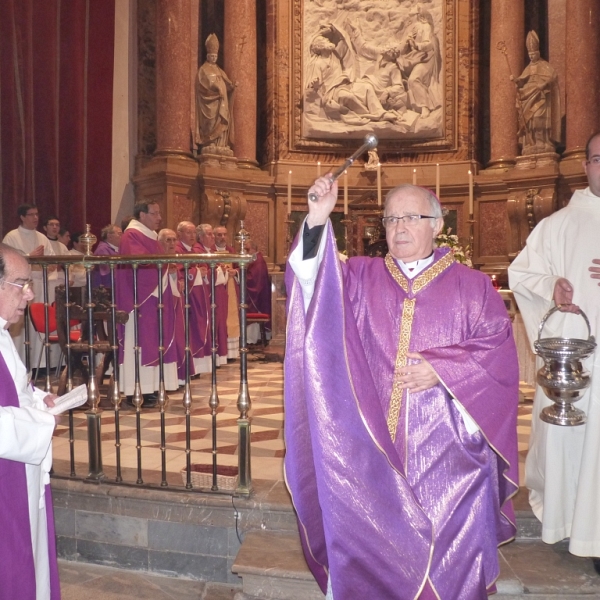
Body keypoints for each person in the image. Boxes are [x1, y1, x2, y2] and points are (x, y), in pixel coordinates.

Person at [285, 179, 519, 598]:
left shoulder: (473, 286)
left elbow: (498, 352)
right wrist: (319, 218)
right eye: (392, 218)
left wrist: (444, 369)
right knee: (376, 552)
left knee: (452, 562)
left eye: (412, 217)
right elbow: (312, 285)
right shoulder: (359, 276)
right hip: (374, 449)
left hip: (452, 456)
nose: (400, 228)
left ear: (437, 224)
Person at [508, 131, 600, 572]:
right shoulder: (557, 224)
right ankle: (570, 523)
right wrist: (552, 286)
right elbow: (521, 273)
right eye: (599, 159)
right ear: (586, 165)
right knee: (573, 441)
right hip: (574, 362)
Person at [0, 243, 61, 599]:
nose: (31, 294)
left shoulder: (3, 331)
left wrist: (40, 399)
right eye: (21, 283)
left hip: (20, 471)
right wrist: (42, 422)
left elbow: (16, 385)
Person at [116, 201, 179, 408]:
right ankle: (136, 388)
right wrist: (162, 267)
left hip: (154, 298)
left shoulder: (149, 235)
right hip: (140, 301)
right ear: (142, 214)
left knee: (153, 342)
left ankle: (151, 387)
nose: (159, 218)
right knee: (140, 343)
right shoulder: (132, 235)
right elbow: (138, 265)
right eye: (155, 213)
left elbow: (154, 262)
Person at [2, 204, 58, 368]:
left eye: (37, 214)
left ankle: (41, 364)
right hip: (19, 289)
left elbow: (52, 259)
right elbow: (6, 263)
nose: (35, 218)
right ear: (22, 217)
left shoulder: (42, 237)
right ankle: (22, 363)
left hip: (40, 287)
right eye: (31, 214)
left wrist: (50, 265)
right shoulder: (12, 236)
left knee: (40, 325)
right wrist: (29, 257)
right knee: (22, 326)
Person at [512, 30, 561, 156]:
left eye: (534, 53)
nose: (532, 56)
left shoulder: (545, 65)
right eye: (530, 54)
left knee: (540, 118)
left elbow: (553, 77)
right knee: (530, 120)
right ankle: (531, 143)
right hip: (529, 95)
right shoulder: (528, 68)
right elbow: (522, 80)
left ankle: (543, 142)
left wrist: (543, 84)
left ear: (538, 52)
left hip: (541, 96)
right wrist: (516, 80)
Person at [175, 222, 212, 374]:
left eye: (193, 232)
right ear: (179, 234)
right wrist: (196, 272)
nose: (192, 236)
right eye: (188, 232)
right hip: (187, 297)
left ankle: (195, 366)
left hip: (197, 297)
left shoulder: (191, 249)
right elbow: (178, 272)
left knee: (197, 328)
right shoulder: (178, 250)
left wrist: (200, 271)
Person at [195, 34, 235, 149]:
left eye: (215, 56)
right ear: (207, 56)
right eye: (211, 56)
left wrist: (232, 86)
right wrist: (215, 87)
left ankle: (221, 144)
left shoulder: (219, 70)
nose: (213, 58)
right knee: (211, 121)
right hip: (211, 102)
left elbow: (227, 83)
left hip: (222, 101)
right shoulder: (203, 69)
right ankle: (210, 142)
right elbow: (202, 84)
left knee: (222, 119)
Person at [196, 224, 228, 366]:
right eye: (209, 234)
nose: (213, 237)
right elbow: (204, 274)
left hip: (216, 294)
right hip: (207, 295)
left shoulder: (210, 251)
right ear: (201, 237)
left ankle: (215, 356)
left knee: (218, 324)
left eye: (212, 234)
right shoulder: (198, 251)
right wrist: (220, 270)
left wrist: (222, 269)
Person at [214, 226, 240, 360]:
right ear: (214, 236)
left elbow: (239, 267)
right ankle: (221, 352)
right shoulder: (210, 252)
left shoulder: (231, 250)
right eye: (219, 235)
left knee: (232, 318)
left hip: (231, 287)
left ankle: (232, 353)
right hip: (218, 289)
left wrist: (235, 272)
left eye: (224, 234)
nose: (222, 237)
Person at [243, 238, 271, 345]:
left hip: (257, 295)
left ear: (253, 249)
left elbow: (253, 280)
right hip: (260, 294)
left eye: (247, 249)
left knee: (250, 310)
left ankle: (250, 340)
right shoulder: (255, 258)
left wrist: (240, 275)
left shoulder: (257, 261)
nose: (245, 252)